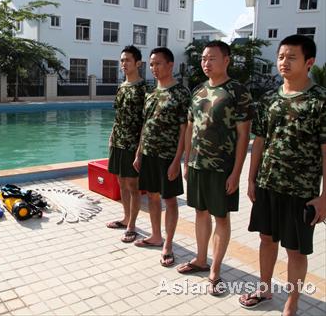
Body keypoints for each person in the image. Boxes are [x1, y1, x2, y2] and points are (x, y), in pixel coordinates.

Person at [238, 35, 325, 315]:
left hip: (302, 191)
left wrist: (324, 197)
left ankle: (292, 302)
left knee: (296, 250)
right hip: (268, 185)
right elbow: (259, 140)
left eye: (291, 57)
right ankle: (264, 289)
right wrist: (251, 180)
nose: (283, 62)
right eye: (281, 57)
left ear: (309, 62)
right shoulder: (269, 100)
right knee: (266, 239)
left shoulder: (320, 102)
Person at [177, 40, 252, 297]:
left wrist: (236, 172)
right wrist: (186, 160)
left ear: (226, 60)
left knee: (221, 217)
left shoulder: (238, 92)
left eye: (212, 59)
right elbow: (189, 127)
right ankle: (200, 259)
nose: (206, 63)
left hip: (222, 168)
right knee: (200, 212)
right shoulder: (197, 91)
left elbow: (244, 135)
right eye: (203, 59)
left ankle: (216, 269)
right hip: (198, 164)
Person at [133, 47, 190, 267]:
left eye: (158, 63)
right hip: (148, 154)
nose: (154, 68)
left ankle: (168, 244)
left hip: (168, 156)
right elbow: (145, 125)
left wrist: (178, 160)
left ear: (170, 65)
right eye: (151, 64)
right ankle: (156, 236)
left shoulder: (181, 93)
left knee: (170, 200)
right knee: (153, 197)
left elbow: (185, 129)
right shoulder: (150, 93)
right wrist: (139, 152)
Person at [106, 45, 146, 243]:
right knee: (121, 181)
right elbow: (118, 115)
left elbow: (146, 122)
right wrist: (111, 137)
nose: (124, 64)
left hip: (132, 144)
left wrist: (140, 150)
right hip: (118, 142)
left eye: (127, 60)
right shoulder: (122, 86)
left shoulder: (143, 89)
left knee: (133, 185)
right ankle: (126, 217)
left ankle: (132, 225)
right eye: (122, 60)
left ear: (138, 63)